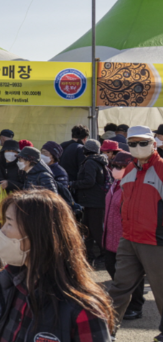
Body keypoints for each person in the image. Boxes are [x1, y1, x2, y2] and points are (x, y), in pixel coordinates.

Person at [0, 190, 114, 342]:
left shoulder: (83, 309)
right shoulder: (14, 285)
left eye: (9, 223)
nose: (2, 231)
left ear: (38, 232)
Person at [107, 126, 163, 342]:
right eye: (132, 143)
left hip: (156, 242)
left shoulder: (161, 169)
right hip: (129, 239)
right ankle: (106, 331)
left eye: (143, 142)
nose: (137, 147)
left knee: (161, 292)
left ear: (153, 143)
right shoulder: (129, 169)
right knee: (119, 288)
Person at [102, 151, 146, 321]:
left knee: (132, 275)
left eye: (121, 166)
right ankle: (126, 302)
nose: (116, 169)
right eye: (115, 165)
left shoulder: (134, 186)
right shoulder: (115, 184)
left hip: (126, 238)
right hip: (111, 237)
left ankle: (135, 306)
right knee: (112, 268)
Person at [70, 139, 109, 263]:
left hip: (93, 201)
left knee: (95, 229)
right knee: (88, 228)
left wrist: (73, 184)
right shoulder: (98, 161)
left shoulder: (90, 162)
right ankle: (89, 253)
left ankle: (106, 254)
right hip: (95, 200)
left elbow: (89, 181)